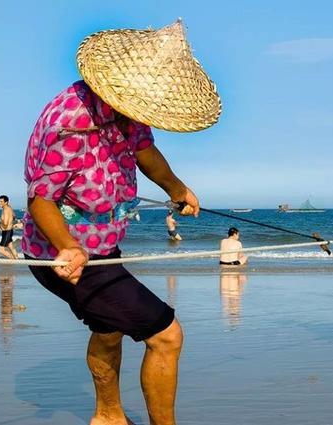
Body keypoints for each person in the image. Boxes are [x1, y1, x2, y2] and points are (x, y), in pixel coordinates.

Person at [22, 20, 220, 425]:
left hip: (102, 248)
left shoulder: (129, 108)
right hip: (61, 252)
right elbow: (41, 201)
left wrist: (177, 188)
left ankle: (107, 416)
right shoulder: (70, 123)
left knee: (110, 329)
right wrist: (69, 247)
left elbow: (145, 151)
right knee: (166, 335)